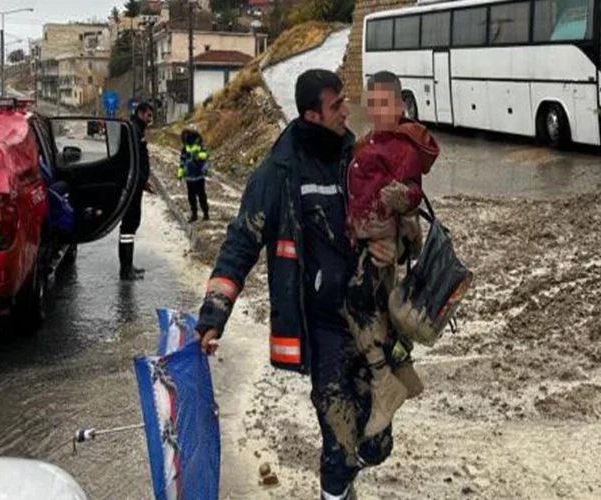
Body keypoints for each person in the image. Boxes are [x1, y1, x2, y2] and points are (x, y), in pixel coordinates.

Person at [194, 69, 416, 500]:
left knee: (377, 442)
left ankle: (350, 476)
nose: (346, 112)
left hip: (371, 323)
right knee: (339, 443)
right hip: (324, 332)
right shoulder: (279, 172)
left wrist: (398, 244)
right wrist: (214, 314)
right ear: (312, 114)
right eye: (336, 106)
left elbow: (402, 221)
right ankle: (337, 490)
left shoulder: (358, 157)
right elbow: (241, 242)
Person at [344, 70, 440, 439]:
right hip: (369, 239)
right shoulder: (370, 142)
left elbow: (413, 191)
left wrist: (404, 203)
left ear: (401, 106)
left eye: (387, 104)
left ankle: (385, 380)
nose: (380, 110)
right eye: (374, 104)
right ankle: (405, 370)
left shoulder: (401, 145)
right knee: (381, 307)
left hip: (379, 244)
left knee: (360, 304)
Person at [119, 101, 155, 281]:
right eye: (148, 115)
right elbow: (133, 160)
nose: (150, 119)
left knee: (131, 225)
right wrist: (140, 182)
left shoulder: (136, 129)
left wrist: (144, 183)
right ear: (140, 113)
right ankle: (125, 270)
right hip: (132, 185)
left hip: (136, 184)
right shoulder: (133, 130)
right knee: (129, 225)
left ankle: (128, 265)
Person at [177, 128, 211, 222]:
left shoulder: (199, 145)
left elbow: (205, 155)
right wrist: (180, 174)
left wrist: (198, 156)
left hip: (199, 176)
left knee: (201, 196)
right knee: (191, 197)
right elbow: (182, 162)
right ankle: (194, 214)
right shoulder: (185, 148)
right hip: (189, 177)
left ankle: (205, 213)